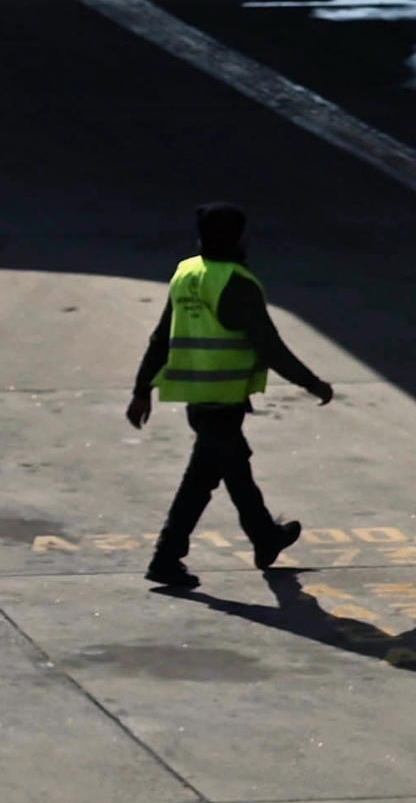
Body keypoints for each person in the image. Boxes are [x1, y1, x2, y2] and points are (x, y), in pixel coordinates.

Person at [127, 202, 335, 593]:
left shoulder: (186, 273)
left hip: (198, 396)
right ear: (239, 238)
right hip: (222, 398)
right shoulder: (237, 283)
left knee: (225, 470)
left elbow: (160, 338)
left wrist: (142, 390)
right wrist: (312, 383)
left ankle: (264, 537)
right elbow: (269, 346)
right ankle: (165, 558)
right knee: (202, 479)